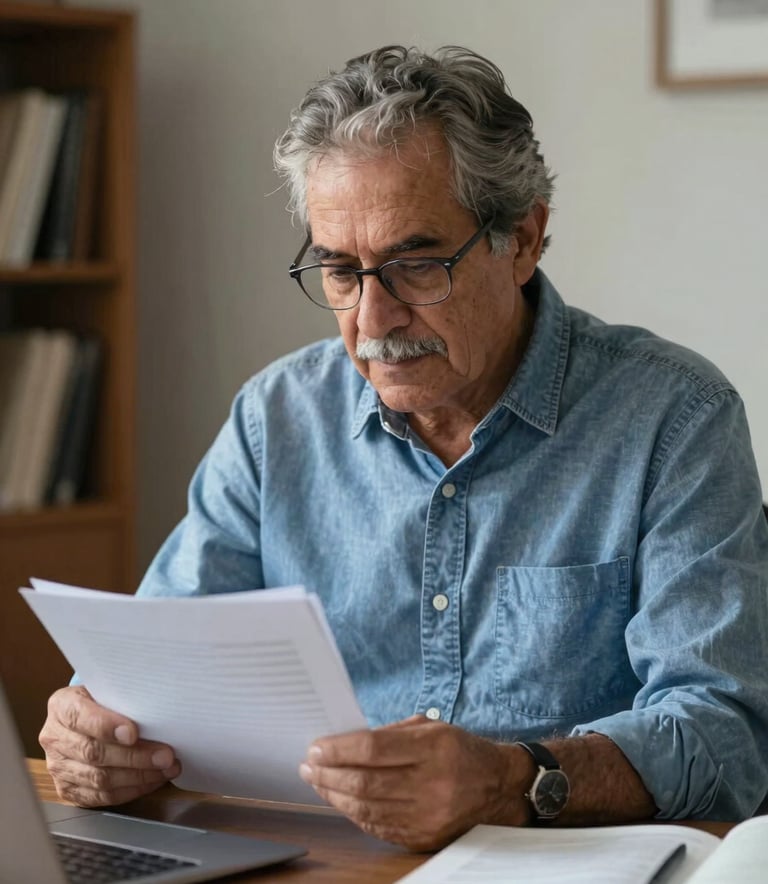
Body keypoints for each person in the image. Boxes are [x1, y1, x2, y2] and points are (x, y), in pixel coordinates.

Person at [40, 45, 768, 851]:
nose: (373, 320)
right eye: (340, 272)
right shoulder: (276, 419)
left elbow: (727, 737)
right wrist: (94, 733)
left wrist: (513, 779)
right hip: (319, 862)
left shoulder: (674, 418)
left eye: (416, 265)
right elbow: (145, 673)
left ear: (523, 239)